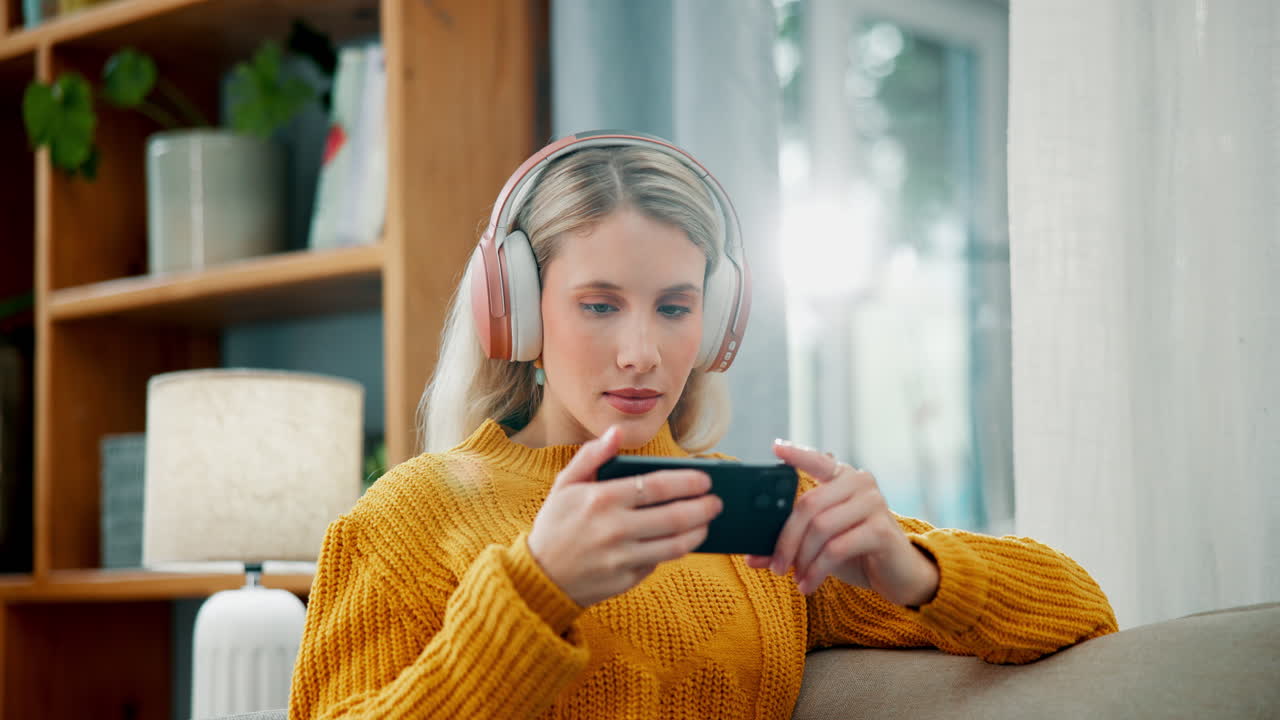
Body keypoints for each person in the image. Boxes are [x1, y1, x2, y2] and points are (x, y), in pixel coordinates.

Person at [288, 132, 1118, 720]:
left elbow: (1083, 609)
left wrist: (917, 571)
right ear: (517, 313)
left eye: (676, 307)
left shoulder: (751, 522)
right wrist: (538, 589)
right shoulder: (409, 519)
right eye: (600, 305)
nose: (642, 352)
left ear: (715, 323)